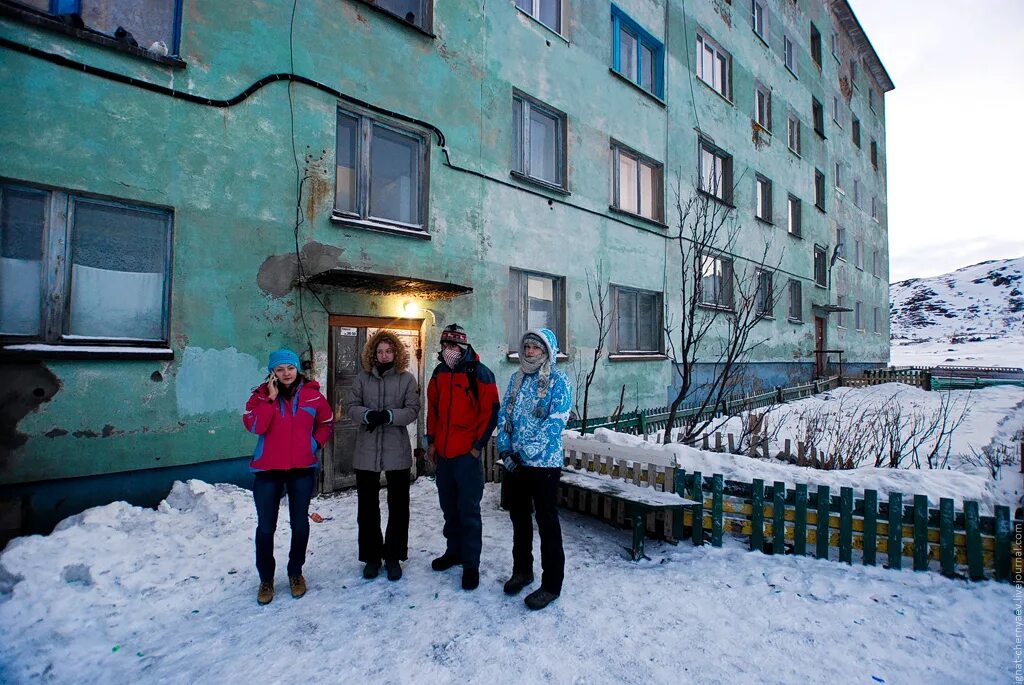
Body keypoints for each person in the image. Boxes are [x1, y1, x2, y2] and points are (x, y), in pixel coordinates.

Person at [243, 349, 333, 605]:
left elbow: (327, 422)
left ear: (297, 369)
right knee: (266, 527)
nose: (286, 374)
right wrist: (270, 400)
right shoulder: (259, 396)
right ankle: (266, 579)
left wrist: (314, 444)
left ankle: (295, 572)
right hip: (268, 470)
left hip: (302, 469)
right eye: (280, 369)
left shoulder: (312, 395)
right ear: (273, 372)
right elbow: (255, 426)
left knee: (300, 525)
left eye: (290, 368)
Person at [497, 328, 573, 610]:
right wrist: (505, 450)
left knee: (547, 523)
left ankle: (551, 584)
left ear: (546, 352)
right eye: (526, 347)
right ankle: (522, 571)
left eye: (535, 348)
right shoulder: (516, 380)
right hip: (517, 464)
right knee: (519, 519)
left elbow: (555, 423)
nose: (529, 352)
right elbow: (504, 415)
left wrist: (525, 451)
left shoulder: (558, 381)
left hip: (544, 465)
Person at [425, 324, 500, 591]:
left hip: (467, 456)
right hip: (444, 455)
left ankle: (471, 564)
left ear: (464, 347)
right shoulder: (439, 373)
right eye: (446, 345)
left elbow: (490, 412)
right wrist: (431, 441)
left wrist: (477, 446)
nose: (449, 351)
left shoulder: (479, 373)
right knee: (449, 508)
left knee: (469, 511)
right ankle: (453, 551)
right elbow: (432, 409)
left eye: (454, 346)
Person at [346, 330, 421, 581]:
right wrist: (367, 415)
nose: (384, 355)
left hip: (396, 450)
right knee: (367, 507)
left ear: (396, 352)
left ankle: (393, 556)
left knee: (398, 506)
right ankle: (371, 557)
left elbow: (413, 410)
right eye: (379, 351)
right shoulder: (362, 378)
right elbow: (351, 406)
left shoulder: (407, 379)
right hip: (366, 450)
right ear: (372, 354)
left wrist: (389, 416)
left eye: (389, 351)